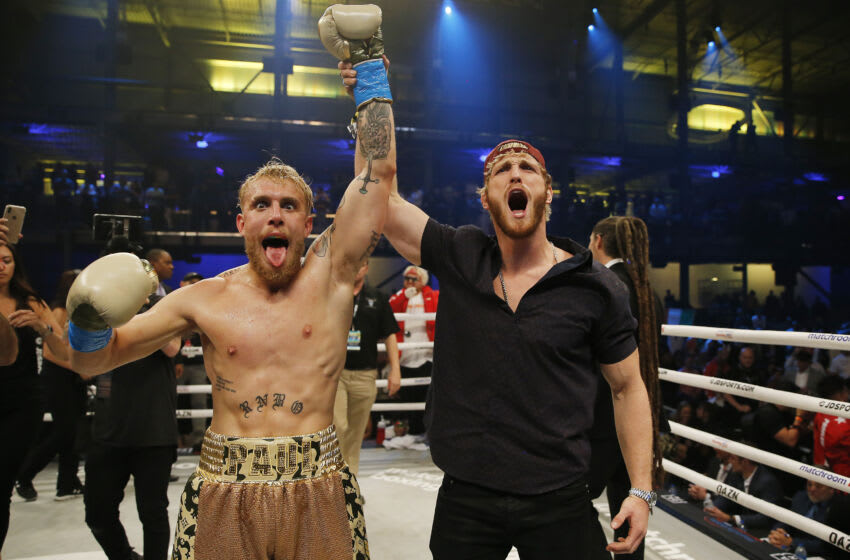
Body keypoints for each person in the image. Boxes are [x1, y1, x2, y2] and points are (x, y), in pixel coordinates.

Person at [69, 5, 393, 557]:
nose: (276, 215)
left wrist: (370, 73)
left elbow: (376, 175)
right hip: (225, 485)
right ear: (241, 222)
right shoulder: (202, 299)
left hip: (319, 481)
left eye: (289, 207)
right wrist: (86, 322)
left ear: (307, 225)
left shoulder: (334, 275)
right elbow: (94, 362)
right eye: (262, 205)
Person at [341, 66, 653, 558]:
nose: (514, 172)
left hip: (560, 495)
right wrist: (371, 96)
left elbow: (627, 386)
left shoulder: (593, 285)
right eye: (500, 169)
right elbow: (379, 194)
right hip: (467, 493)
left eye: (527, 167)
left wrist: (640, 488)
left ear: (548, 193)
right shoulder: (462, 254)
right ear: (485, 197)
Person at [587, 215, 665, 560]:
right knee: (630, 506)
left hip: (601, 418)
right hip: (640, 419)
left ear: (599, 241)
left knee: (562, 505)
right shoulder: (647, 292)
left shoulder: (603, 286)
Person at [84, 291, 181, 560]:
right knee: (97, 513)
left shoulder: (161, 310)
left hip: (153, 432)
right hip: (108, 430)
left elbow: (172, 347)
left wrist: (138, 313)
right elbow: (83, 367)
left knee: (152, 513)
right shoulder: (102, 314)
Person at [0, 238, 68, 555]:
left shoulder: (30, 300)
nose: (2, 266)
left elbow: (63, 350)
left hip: (21, 400)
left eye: (7, 260)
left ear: (16, 265)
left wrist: (42, 327)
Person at [16, 269, 87, 502]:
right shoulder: (58, 311)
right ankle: (24, 474)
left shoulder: (79, 311)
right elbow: (50, 351)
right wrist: (79, 368)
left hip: (74, 376)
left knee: (73, 432)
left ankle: (67, 482)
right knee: (64, 431)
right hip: (58, 377)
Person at [333, 260, 401, 475]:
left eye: (361, 264)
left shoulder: (378, 297)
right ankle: (332, 480)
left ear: (366, 268)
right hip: (336, 374)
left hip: (365, 375)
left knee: (355, 433)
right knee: (338, 427)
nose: (356, 268)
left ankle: (348, 484)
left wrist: (395, 370)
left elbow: (390, 334)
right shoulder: (332, 293)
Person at [388, 264, 438, 434]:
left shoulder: (432, 296)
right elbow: (388, 309)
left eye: (413, 279)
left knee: (427, 397)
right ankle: (412, 433)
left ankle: (426, 434)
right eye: (406, 279)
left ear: (422, 281)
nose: (409, 282)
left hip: (426, 354)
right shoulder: (399, 296)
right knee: (408, 396)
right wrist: (404, 295)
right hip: (405, 355)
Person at [703, 453, 783, 535]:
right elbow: (726, 496)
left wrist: (731, 519)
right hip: (742, 524)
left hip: (762, 530)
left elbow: (765, 518)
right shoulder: (736, 473)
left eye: (733, 458)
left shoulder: (767, 482)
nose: (730, 461)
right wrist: (713, 509)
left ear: (745, 461)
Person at [174, 272, 208, 450]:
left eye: (198, 283)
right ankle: (173, 439)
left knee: (199, 402)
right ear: (182, 283)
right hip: (174, 363)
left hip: (198, 364)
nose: (195, 286)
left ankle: (199, 441)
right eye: (192, 282)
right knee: (172, 401)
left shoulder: (206, 306)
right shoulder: (172, 304)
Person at [768, 478, 835, 557]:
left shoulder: (838, 509)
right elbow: (787, 521)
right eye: (809, 484)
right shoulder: (801, 497)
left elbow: (825, 546)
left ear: (831, 489)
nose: (812, 489)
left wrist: (792, 542)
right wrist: (777, 534)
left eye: (818, 486)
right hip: (791, 547)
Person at [813, 375, 850, 477]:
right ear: (840, 393)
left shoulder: (821, 413)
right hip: (838, 476)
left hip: (822, 467)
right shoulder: (840, 425)